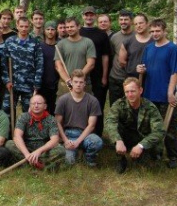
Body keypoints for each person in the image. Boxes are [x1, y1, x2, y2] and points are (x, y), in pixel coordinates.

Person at [137, 18, 177, 169]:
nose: (155, 34)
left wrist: (170, 92)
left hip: (165, 96)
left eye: (158, 31)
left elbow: (175, 71)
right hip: (149, 95)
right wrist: (140, 70)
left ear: (164, 31)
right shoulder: (148, 48)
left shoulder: (172, 49)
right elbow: (144, 68)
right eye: (152, 31)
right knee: (150, 127)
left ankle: (173, 157)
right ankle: (155, 153)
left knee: (169, 128)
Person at [104, 78, 166, 174]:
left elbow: (159, 131)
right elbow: (110, 122)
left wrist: (141, 145)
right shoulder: (119, 104)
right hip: (127, 137)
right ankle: (121, 159)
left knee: (153, 154)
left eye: (133, 91)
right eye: (127, 92)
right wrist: (118, 140)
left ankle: (149, 157)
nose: (130, 95)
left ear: (140, 90)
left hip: (143, 137)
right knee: (114, 130)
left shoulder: (150, 107)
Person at [54, 70, 103, 167]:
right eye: (76, 82)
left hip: (85, 134)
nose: (78, 85)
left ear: (85, 83)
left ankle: (88, 158)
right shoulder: (63, 100)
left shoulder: (92, 101)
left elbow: (91, 125)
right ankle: (76, 152)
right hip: (69, 135)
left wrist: (78, 142)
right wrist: (65, 140)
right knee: (69, 162)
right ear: (71, 82)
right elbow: (57, 122)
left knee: (97, 142)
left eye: (81, 82)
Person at [5, 94, 65, 169]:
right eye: (33, 103)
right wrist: (27, 154)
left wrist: (38, 152)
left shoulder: (51, 119)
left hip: (43, 150)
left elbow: (54, 140)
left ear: (45, 106)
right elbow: (17, 136)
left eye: (39, 103)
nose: (36, 106)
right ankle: (38, 164)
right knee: (9, 144)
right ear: (30, 106)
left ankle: (29, 163)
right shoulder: (23, 117)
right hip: (27, 148)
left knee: (61, 150)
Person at [79, 7, 110, 136]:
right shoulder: (78, 32)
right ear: (83, 16)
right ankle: (80, 133)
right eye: (86, 15)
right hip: (81, 75)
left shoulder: (102, 34)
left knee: (97, 105)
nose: (89, 17)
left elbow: (105, 56)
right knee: (81, 105)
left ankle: (97, 135)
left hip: (98, 75)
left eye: (91, 15)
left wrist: (104, 76)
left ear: (95, 16)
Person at [2, 16, 43, 113]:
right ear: (17, 26)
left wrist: (37, 83)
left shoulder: (35, 43)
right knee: (7, 110)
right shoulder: (9, 41)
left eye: (26, 26)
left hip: (29, 83)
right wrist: (6, 80)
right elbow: (3, 63)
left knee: (28, 113)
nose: (24, 29)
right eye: (21, 26)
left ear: (29, 26)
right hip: (12, 83)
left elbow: (39, 64)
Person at [54, 16, 96, 95]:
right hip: (65, 85)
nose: (69, 29)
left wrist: (78, 80)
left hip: (83, 84)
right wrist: (68, 80)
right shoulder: (61, 44)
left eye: (72, 26)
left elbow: (91, 64)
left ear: (78, 26)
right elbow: (58, 66)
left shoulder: (88, 42)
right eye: (67, 27)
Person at [108, 10, 134, 106]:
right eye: (121, 19)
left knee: (131, 106)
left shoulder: (137, 37)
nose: (123, 22)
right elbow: (111, 55)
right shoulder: (114, 37)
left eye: (126, 19)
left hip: (131, 78)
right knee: (115, 106)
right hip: (115, 78)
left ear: (131, 21)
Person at [120, 14, 152, 79]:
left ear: (147, 24)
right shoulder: (127, 42)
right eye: (136, 24)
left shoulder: (154, 41)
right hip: (132, 80)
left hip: (151, 79)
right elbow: (122, 62)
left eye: (141, 23)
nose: (138, 26)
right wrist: (132, 69)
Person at [40, 21, 60, 115]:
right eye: (48, 29)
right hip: (42, 84)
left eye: (52, 29)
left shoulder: (60, 46)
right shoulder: (39, 46)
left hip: (57, 83)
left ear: (56, 31)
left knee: (55, 110)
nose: (50, 31)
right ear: (44, 31)